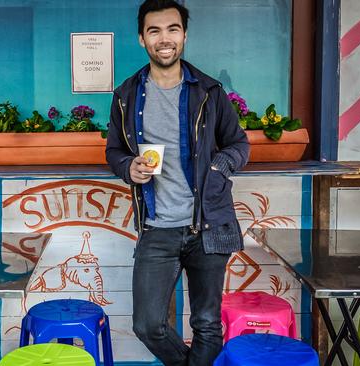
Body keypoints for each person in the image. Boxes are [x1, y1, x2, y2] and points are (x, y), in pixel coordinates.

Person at [105, 1, 250, 365]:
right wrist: (128, 167)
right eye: (154, 31)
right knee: (148, 324)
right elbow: (114, 150)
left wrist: (218, 168)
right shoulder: (126, 95)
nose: (164, 38)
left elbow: (239, 145)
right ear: (142, 39)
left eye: (172, 29)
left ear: (183, 36)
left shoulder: (209, 91)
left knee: (206, 324)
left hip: (208, 224)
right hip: (157, 227)